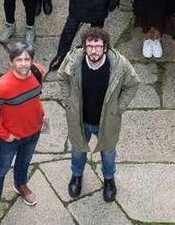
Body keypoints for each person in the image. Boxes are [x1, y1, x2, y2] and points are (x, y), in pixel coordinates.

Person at [57, 27, 139, 203]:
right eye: (90, 46)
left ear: (105, 47)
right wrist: (68, 100)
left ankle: (109, 180)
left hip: (108, 121)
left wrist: (119, 107)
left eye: (98, 46)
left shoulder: (120, 64)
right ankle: (76, 176)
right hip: (80, 120)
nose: (93, 50)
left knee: (108, 154)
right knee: (78, 151)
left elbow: (133, 84)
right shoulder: (73, 60)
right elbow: (61, 77)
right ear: (84, 47)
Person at [0, 42, 45, 224]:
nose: (24, 64)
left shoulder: (38, 72)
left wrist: (40, 117)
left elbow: (36, 95)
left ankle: (20, 185)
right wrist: (5, 135)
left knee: (24, 162)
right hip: (11, 138)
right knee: (0, 171)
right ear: (12, 61)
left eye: (27, 59)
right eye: (19, 60)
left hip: (33, 131)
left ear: (32, 61)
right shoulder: (2, 86)